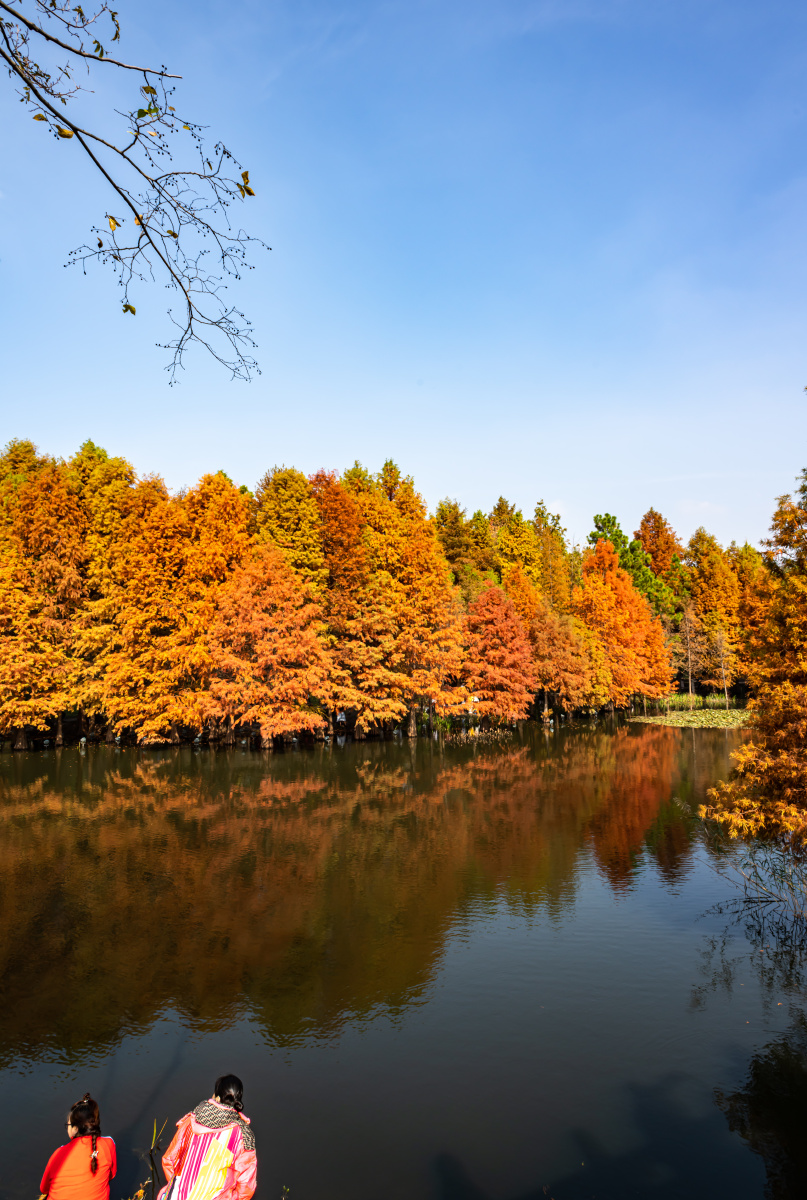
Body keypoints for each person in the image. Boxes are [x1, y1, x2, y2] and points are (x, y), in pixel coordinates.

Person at [157, 1074, 257, 1200]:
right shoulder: (243, 1136)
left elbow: (169, 1160)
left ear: (217, 1097)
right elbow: (245, 1187)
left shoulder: (189, 1121)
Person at [40, 1093, 117, 1200]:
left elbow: (44, 1189)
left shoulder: (58, 1154)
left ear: (75, 1128)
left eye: (68, 1125)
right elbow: (111, 1175)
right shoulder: (108, 1144)